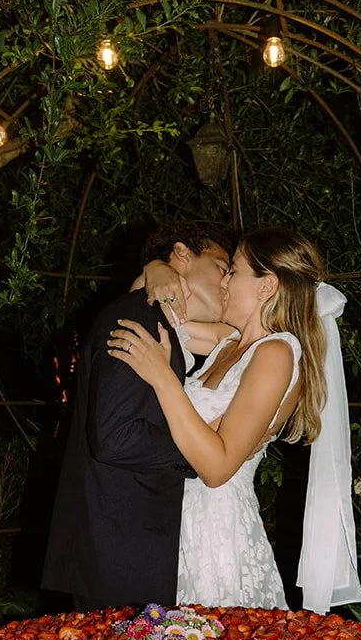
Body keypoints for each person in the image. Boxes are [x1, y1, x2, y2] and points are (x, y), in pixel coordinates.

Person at [107, 229, 361, 613]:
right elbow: (152, 316)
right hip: (174, 523)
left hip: (216, 537)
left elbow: (217, 466)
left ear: (266, 287)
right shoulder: (228, 343)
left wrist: (162, 377)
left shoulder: (277, 354)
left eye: (234, 272)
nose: (223, 281)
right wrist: (155, 268)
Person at [41, 222, 231, 609]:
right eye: (222, 268)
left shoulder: (160, 321)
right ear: (181, 255)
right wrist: (199, 452)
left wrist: (151, 270)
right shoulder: (139, 317)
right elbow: (116, 436)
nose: (227, 283)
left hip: (124, 547)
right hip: (116, 550)